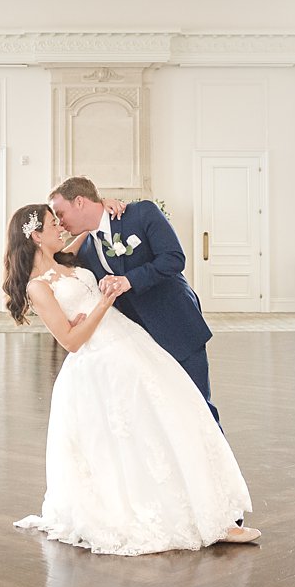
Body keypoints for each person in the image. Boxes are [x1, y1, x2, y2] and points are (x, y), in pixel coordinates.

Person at [5, 204, 259, 554]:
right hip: (100, 364)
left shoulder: (69, 258)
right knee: (132, 442)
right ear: (35, 236)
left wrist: (105, 203)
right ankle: (170, 516)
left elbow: (93, 229)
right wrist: (103, 303)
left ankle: (214, 512)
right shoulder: (38, 287)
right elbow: (72, 341)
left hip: (134, 345)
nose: (60, 227)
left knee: (176, 419)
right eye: (52, 224)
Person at [48, 177, 223, 424]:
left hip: (176, 326)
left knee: (198, 406)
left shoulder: (141, 214)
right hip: (137, 343)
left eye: (61, 213)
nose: (61, 223)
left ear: (79, 202)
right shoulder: (86, 249)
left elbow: (173, 259)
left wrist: (128, 280)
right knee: (161, 415)